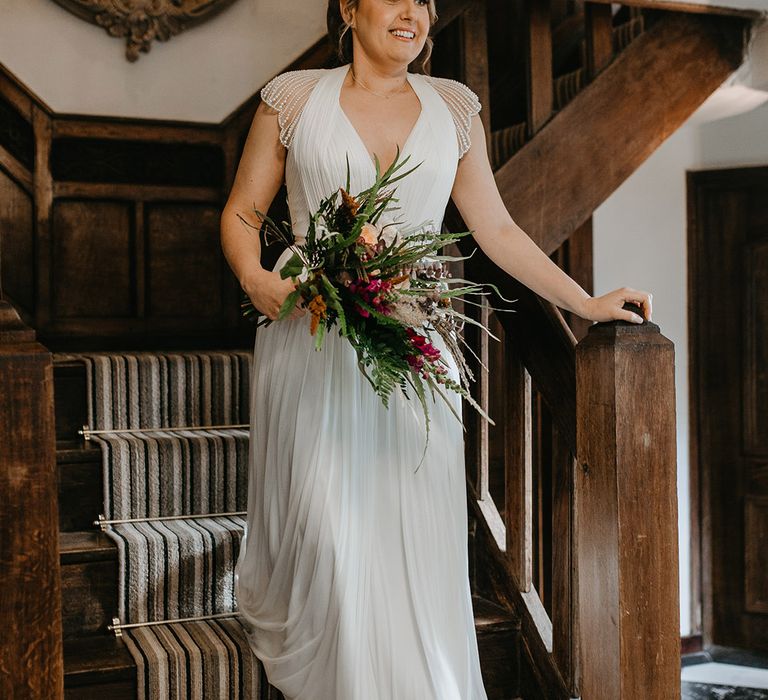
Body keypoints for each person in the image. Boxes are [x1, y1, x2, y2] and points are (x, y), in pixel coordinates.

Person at [220, 1, 653, 698]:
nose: (413, 12)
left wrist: (586, 302)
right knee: (330, 527)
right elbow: (243, 211)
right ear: (349, 8)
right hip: (314, 330)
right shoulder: (294, 99)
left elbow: (499, 231)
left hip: (413, 338)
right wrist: (255, 277)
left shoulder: (454, 107)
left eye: (424, 0)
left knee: (411, 524)